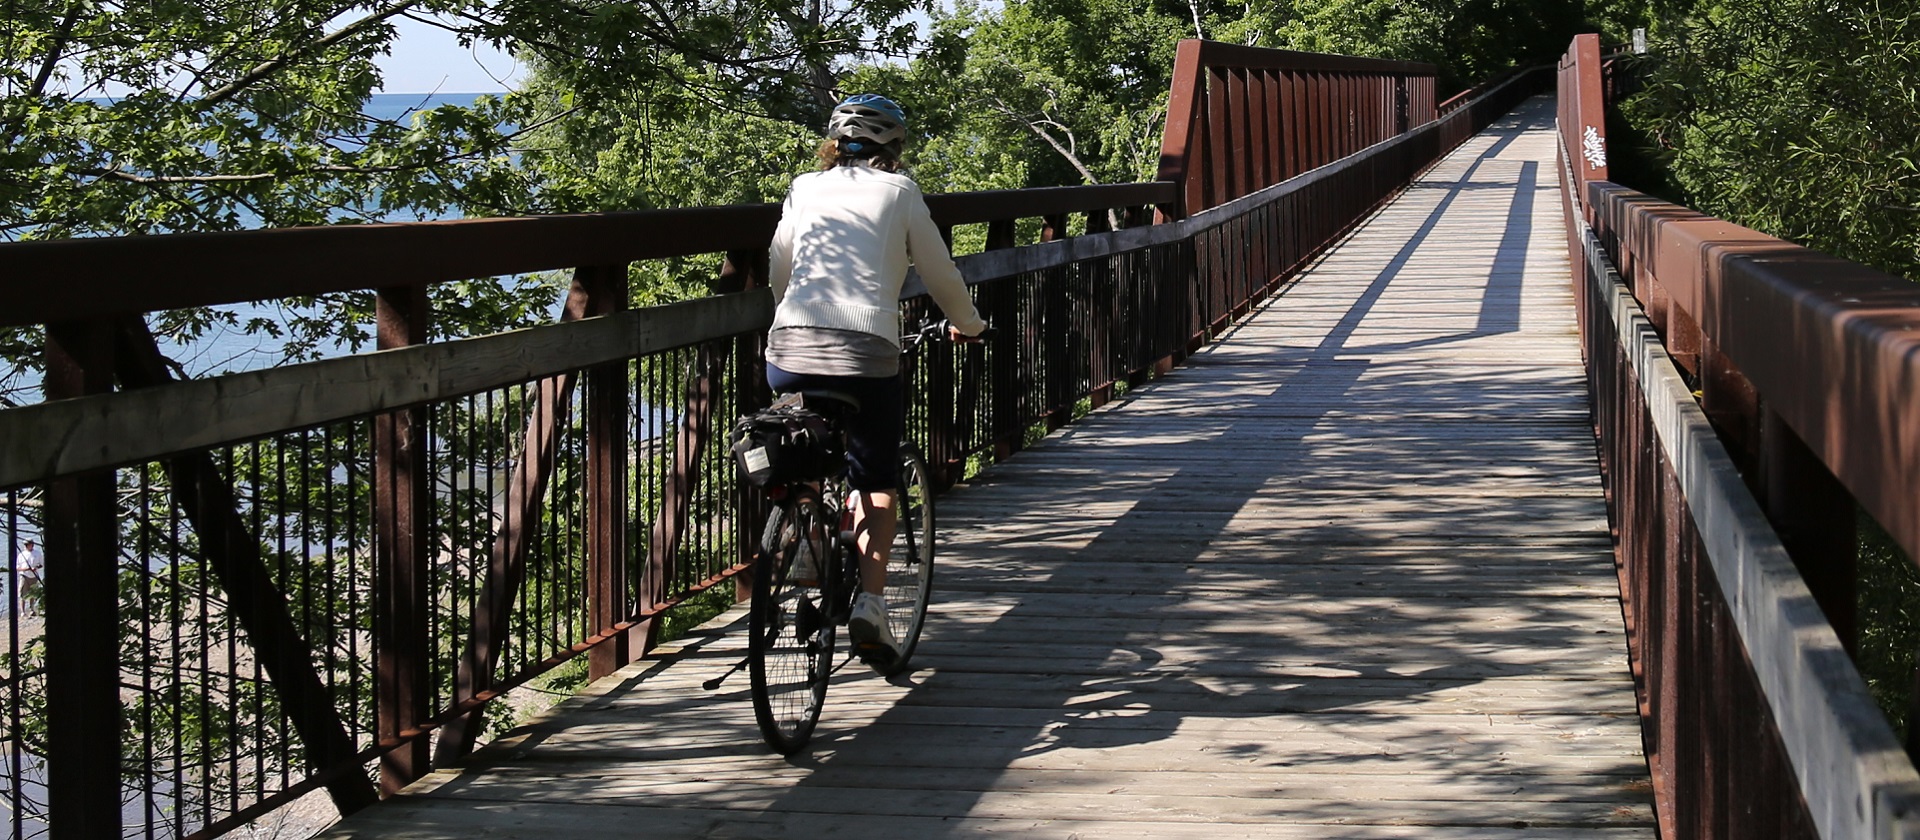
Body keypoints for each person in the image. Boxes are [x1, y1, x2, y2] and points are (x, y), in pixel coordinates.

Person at [767, 93, 988, 672]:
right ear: (895, 148)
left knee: (803, 447)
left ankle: (806, 551)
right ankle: (870, 602)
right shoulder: (901, 192)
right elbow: (939, 271)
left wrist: (788, 315)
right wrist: (969, 325)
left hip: (789, 345)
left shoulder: (803, 188)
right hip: (867, 350)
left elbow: (779, 263)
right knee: (875, 475)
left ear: (834, 145)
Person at [15, 539, 41, 617]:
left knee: (33, 593)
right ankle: (22, 611)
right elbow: (17, 568)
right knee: (22, 594)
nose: (27, 546)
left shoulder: (37, 553)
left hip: (34, 575)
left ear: (32, 545)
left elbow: (41, 564)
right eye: (26, 545)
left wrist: (35, 567)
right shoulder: (21, 555)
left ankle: (32, 609)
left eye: (28, 544)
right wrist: (27, 569)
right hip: (24, 575)